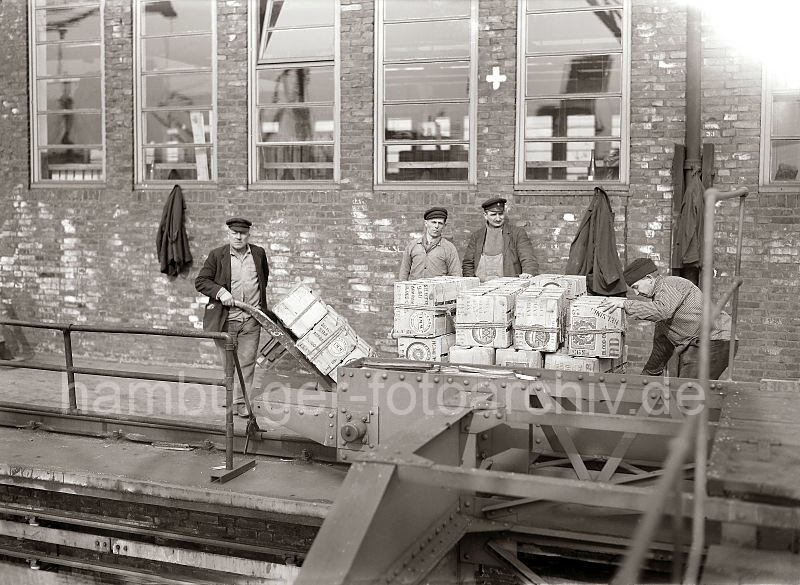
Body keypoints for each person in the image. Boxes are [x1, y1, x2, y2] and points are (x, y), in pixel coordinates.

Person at [601, 257, 737, 379]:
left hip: (717, 339)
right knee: (685, 390)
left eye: (636, 287)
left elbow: (662, 311)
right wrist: (645, 378)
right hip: (700, 343)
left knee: (687, 390)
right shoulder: (662, 307)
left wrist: (625, 304)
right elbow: (662, 346)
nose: (636, 293)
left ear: (649, 278)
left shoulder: (671, 284)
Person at [195, 218, 270, 415]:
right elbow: (201, 281)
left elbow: (263, 280)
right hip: (225, 320)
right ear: (228, 234)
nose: (238, 236)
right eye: (234, 233)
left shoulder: (259, 254)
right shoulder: (217, 255)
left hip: (251, 320)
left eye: (242, 233)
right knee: (229, 366)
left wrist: (258, 308)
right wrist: (220, 292)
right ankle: (231, 400)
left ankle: (241, 404)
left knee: (247, 364)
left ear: (248, 235)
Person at [462, 197, 538, 281]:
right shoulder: (477, 236)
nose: (498, 218)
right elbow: (468, 263)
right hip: (480, 286)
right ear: (485, 215)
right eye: (493, 214)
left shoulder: (517, 234)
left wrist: (528, 272)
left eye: (500, 214)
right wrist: (471, 281)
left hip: (507, 286)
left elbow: (528, 257)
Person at [398, 207, 462, 281]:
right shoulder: (412, 245)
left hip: (438, 291)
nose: (436, 226)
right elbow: (404, 273)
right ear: (426, 223)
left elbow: (456, 276)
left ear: (444, 226)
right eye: (433, 222)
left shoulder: (449, 248)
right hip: (415, 290)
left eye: (440, 223)